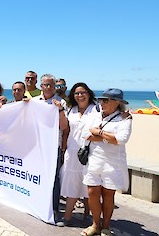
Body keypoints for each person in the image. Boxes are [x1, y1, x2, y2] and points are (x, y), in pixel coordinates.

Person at [80, 88, 132, 236]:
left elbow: (121, 139)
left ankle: (106, 226)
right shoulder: (95, 116)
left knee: (108, 195)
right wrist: (108, 138)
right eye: (101, 100)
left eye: (105, 100)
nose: (101, 103)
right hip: (94, 160)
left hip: (113, 163)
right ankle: (95, 224)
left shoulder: (125, 118)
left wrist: (99, 132)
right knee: (92, 192)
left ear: (117, 103)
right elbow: (85, 134)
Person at [59, 83, 97, 226]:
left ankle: (88, 214)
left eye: (83, 93)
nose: (80, 96)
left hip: (90, 152)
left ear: (88, 94)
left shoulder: (96, 110)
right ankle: (68, 216)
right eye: (76, 93)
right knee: (72, 184)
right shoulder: (71, 110)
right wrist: (63, 149)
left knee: (88, 183)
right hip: (72, 151)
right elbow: (66, 130)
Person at [32, 74, 68, 225]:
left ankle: (54, 209)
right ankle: (37, 203)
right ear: (41, 86)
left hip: (54, 147)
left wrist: (59, 110)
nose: (48, 87)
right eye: (45, 85)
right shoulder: (34, 102)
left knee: (54, 179)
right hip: (37, 146)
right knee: (36, 175)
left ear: (55, 87)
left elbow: (64, 126)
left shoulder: (61, 102)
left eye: (51, 85)